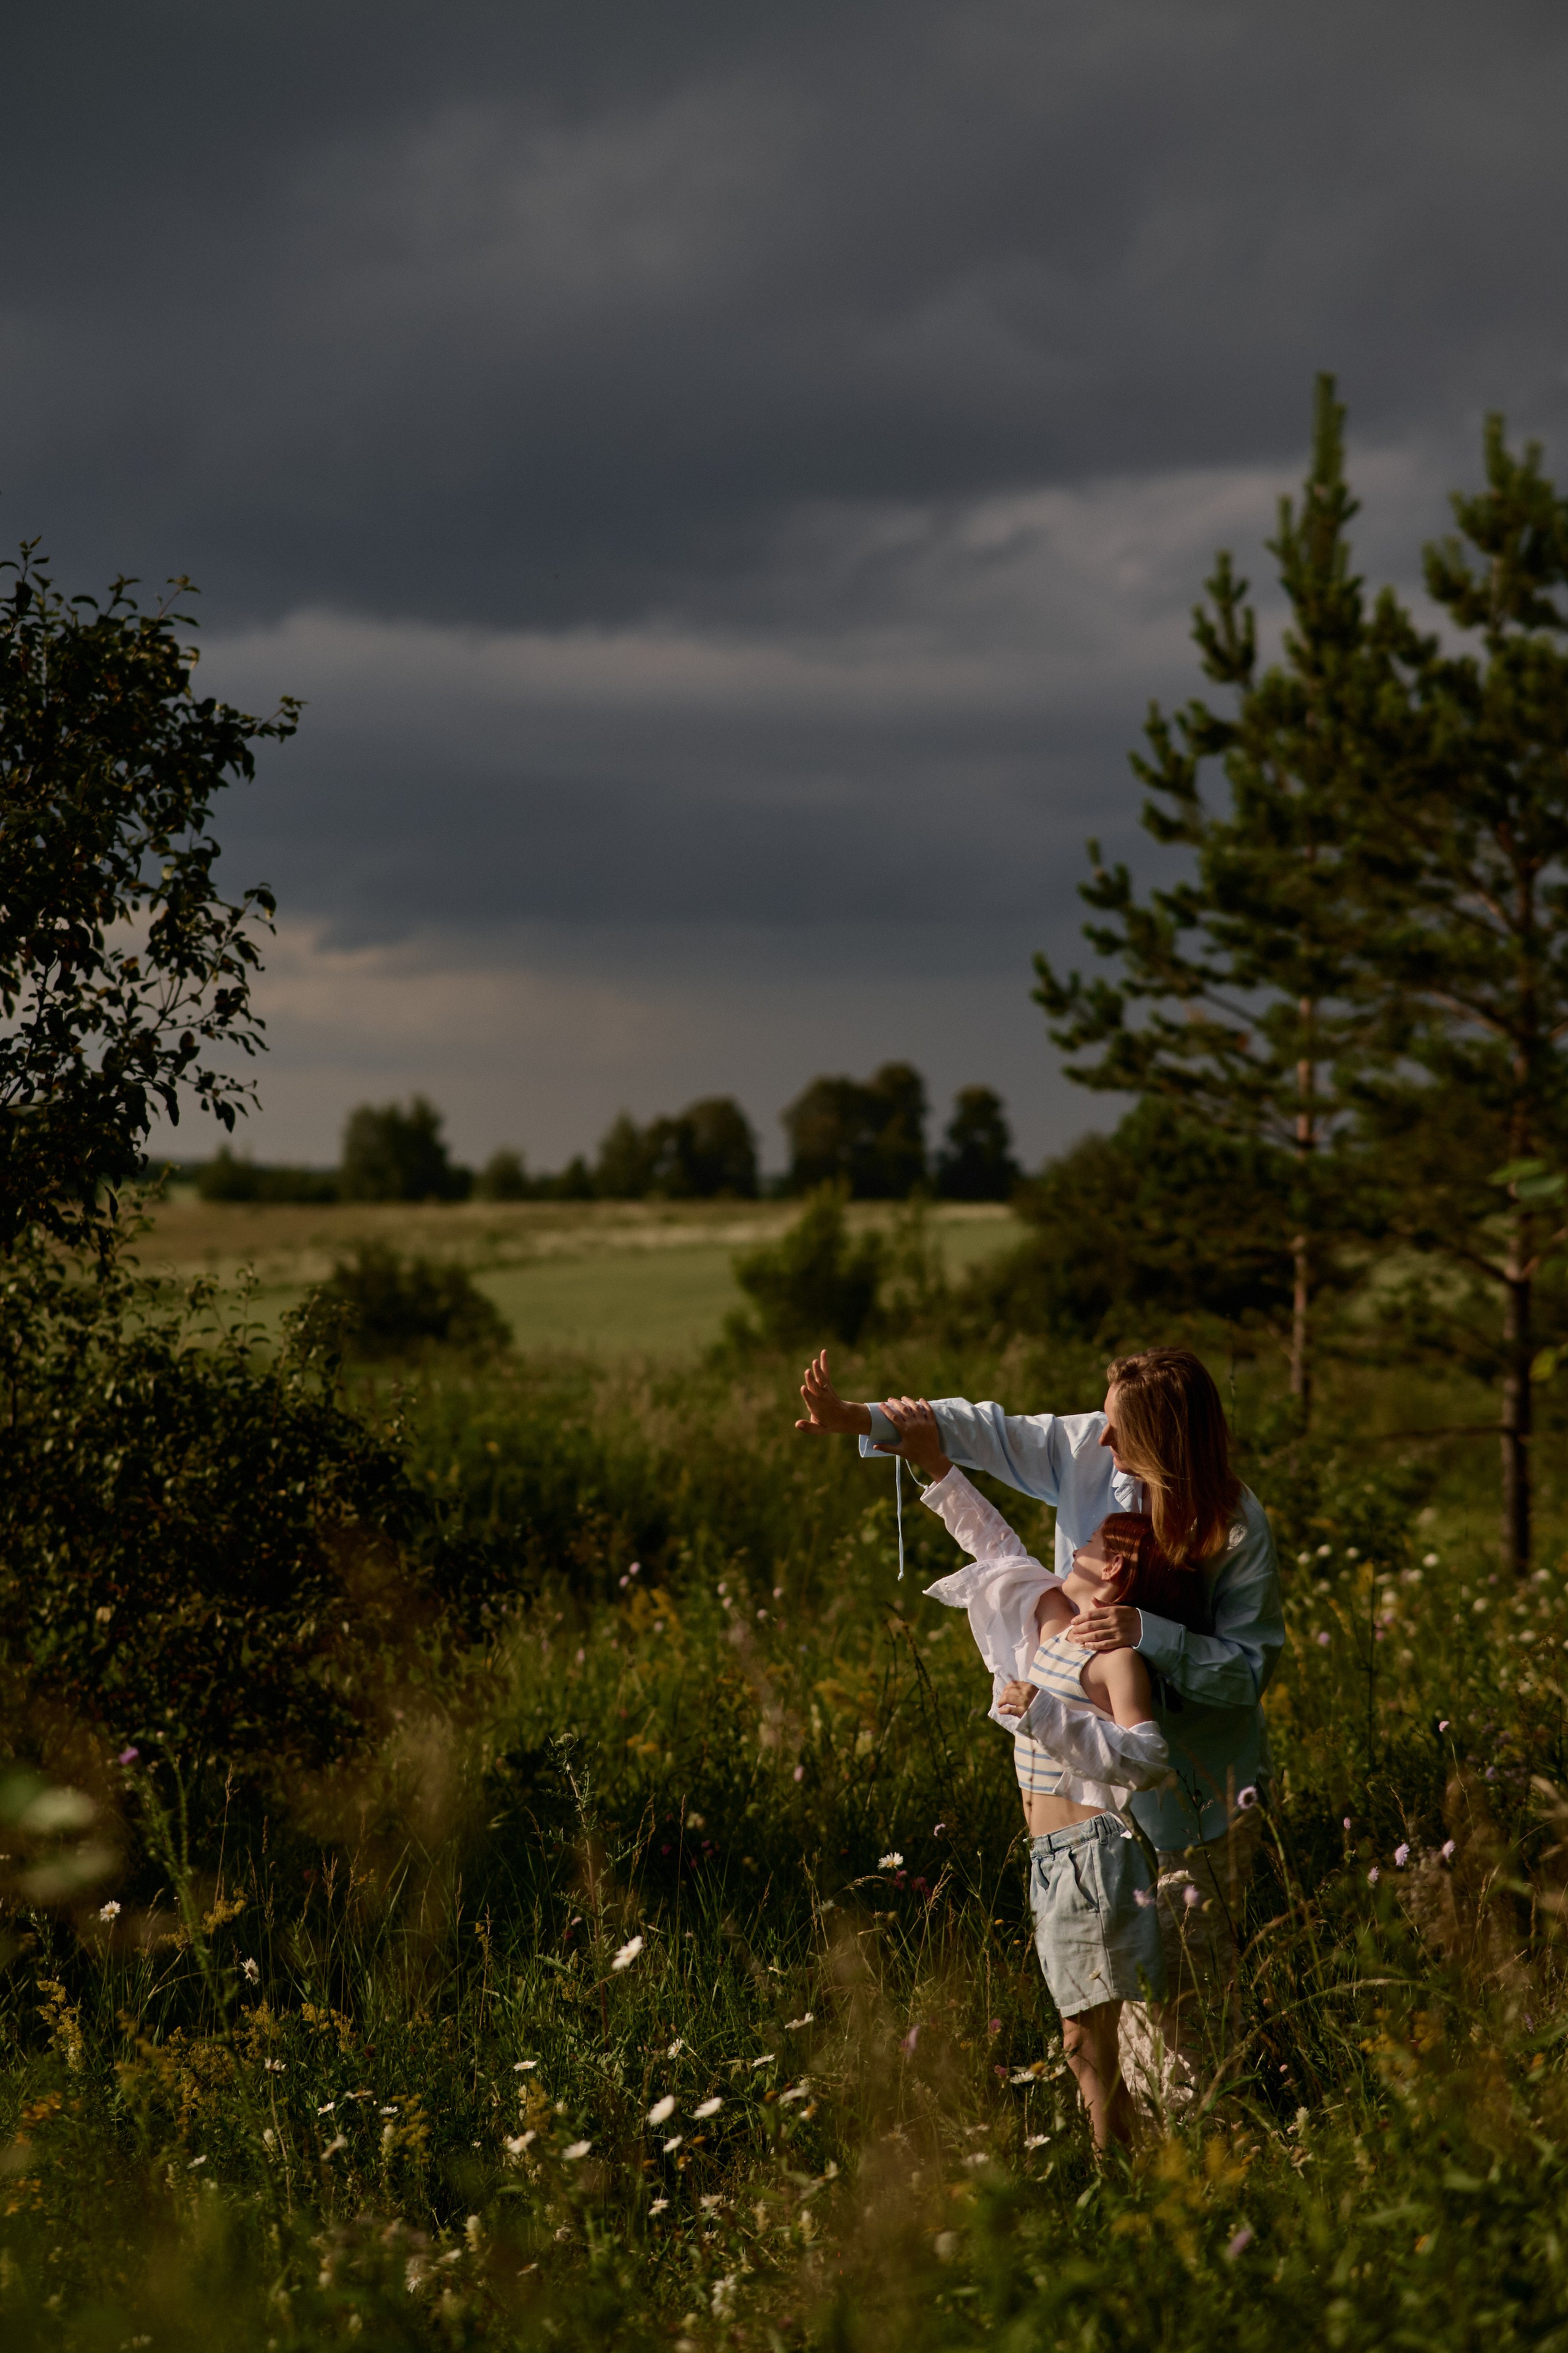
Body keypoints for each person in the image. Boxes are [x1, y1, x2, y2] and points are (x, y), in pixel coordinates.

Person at [796, 1345, 1286, 2115]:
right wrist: (859, 1419)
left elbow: (1249, 1671)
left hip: (1200, 1794)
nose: (1099, 1440)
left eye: (1120, 1430)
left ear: (1165, 1440)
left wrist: (1145, 1634)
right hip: (1100, 1810)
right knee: (1117, 2009)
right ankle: (1152, 2172)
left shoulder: (1234, 1525)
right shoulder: (1087, 1449)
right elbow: (984, 1437)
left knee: (1191, 2003)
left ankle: (1206, 2163)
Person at [911, 1417, 1212, 2148]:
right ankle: (1134, 2170)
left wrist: (1047, 1715)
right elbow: (996, 1549)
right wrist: (931, 1466)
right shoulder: (1051, 1623)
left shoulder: (1115, 1661)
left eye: (1087, 1545)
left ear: (1111, 1572)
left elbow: (1145, 1757)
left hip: (1093, 1856)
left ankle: (1123, 2180)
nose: (1070, 1548)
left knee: (1089, 2044)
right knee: (1084, 2044)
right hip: (1051, 1860)